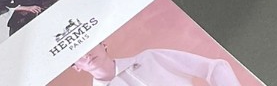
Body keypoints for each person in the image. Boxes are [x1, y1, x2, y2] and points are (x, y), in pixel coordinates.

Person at [72, 41, 241, 85]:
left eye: (88, 46)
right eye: (78, 55)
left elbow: (215, 67)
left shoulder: (150, 58)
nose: (87, 54)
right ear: (76, 67)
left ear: (103, 44)